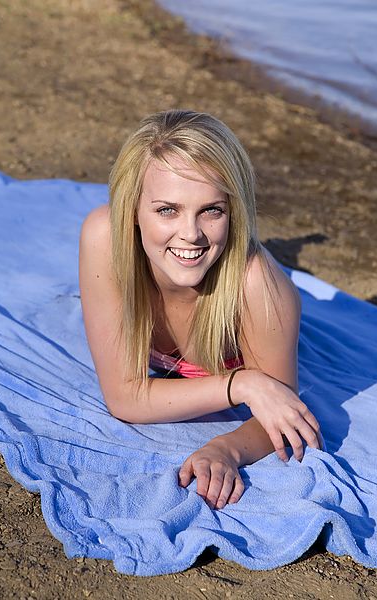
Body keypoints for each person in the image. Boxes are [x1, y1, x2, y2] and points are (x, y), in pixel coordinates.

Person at [79, 109, 322, 511]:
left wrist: (227, 448)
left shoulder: (256, 289)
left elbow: (281, 411)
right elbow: (124, 397)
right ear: (133, 208)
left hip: (265, 313)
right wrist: (241, 384)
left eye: (212, 210)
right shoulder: (105, 238)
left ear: (234, 210)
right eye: (167, 210)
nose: (190, 234)